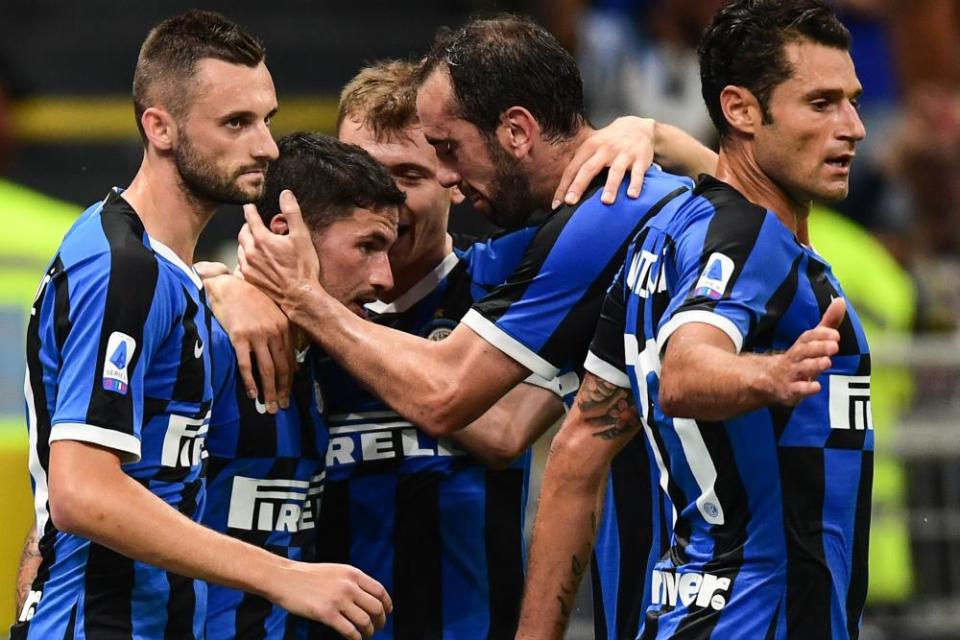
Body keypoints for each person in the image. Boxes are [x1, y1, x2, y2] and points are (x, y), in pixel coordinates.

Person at [235, 15, 712, 638]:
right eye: (358, 174)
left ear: (448, 180)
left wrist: (653, 134)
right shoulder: (264, 305)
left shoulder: (521, 272)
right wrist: (225, 288)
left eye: (409, 175)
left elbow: (497, 426)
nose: (384, 200)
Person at [13, 11, 389, 640]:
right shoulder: (122, 268)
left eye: (266, 119)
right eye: (236, 123)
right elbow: (81, 492)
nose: (266, 146)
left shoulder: (168, 272)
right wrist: (284, 576)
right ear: (159, 127)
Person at [518, 1, 871, 638]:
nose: (854, 127)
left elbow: (575, 454)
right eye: (821, 104)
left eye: (851, 100)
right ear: (740, 110)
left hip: (684, 614)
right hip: (758, 620)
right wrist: (772, 376)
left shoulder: (670, 236)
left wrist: (652, 131)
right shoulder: (748, 241)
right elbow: (685, 369)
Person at [203, 133, 403, 639]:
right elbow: (81, 507)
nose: (386, 280)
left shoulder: (326, 357)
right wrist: (208, 285)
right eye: (367, 246)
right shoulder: (201, 344)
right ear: (284, 233)